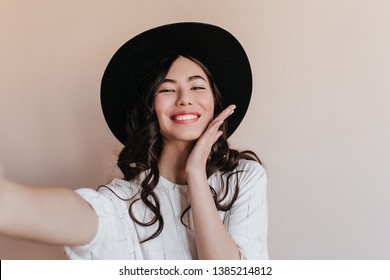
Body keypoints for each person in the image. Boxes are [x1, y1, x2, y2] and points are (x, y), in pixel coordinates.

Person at [0, 22, 268, 260]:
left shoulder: (244, 178)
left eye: (197, 86)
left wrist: (195, 173)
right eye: (167, 89)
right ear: (150, 108)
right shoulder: (122, 201)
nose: (184, 97)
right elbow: (80, 216)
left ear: (215, 102)